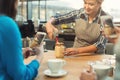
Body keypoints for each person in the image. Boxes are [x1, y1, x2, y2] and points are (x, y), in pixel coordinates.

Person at [45, 0, 114, 56]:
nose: (86, 7)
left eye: (91, 4)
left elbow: (100, 44)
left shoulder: (106, 19)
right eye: (85, 3)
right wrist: (49, 23)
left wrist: (78, 50)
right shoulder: (79, 13)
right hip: (76, 55)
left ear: (99, 4)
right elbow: (58, 18)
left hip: (95, 57)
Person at [0, 0, 43, 80]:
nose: (19, 3)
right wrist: (39, 57)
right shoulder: (7, 24)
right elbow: (22, 76)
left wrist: (17, 56)